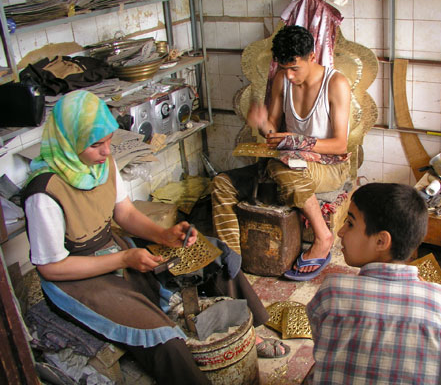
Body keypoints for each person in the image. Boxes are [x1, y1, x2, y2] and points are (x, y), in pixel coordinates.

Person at [21, 90, 272, 384]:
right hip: (76, 277)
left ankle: (250, 336)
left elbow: (125, 214)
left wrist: (165, 235)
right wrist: (125, 258)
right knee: (164, 339)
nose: (105, 152)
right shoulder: (43, 194)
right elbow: (50, 268)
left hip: (115, 250)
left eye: (108, 141)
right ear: (68, 142)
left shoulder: (103, 164)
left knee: (213, 257)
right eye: (95, 145)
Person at [211, 24, 352, 281]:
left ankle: (323, 236)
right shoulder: (281, 80)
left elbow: (340, 145)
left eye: (294, 68)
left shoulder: (336, 83)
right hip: (289, 163)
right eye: (284, 68)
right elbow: (273, 133)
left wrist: (296, 140)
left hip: (329, 167)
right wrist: (263, 122)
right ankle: (231, 258)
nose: (288, 75)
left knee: (281, 165)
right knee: (222, 183)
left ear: (312, 56)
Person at [305, 183, 441, 384]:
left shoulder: (332, 292)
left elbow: (323, 342)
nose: (341, 232)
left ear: (381, 241)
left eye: (350, 223)